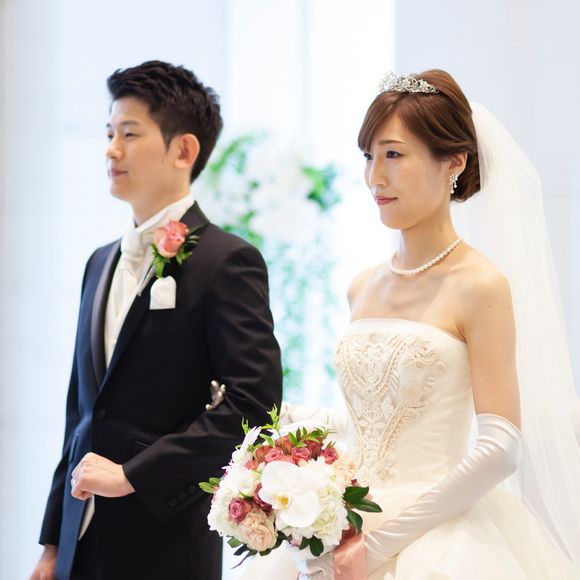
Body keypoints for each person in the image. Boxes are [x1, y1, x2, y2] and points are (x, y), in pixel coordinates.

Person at [242, 70, 580, 579]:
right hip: (345, 521)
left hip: (435, 535)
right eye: (368, 156)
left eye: (394, 155)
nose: (375, 177)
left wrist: (379, 546)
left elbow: (500, 448)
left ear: (454, 162)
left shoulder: (480, 285)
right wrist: (284, 425)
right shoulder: (362, 286)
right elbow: (371, 419)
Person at [30, 60, 282, 580]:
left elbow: (254, 404)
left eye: (129, 133)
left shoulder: (225, 261)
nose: (111, 149)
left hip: (164, 545)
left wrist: (135, 474)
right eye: (109, 133)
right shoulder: (99, 262)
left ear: (183, 150)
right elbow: (81, 413)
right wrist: (53, 543)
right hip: (79, 543)